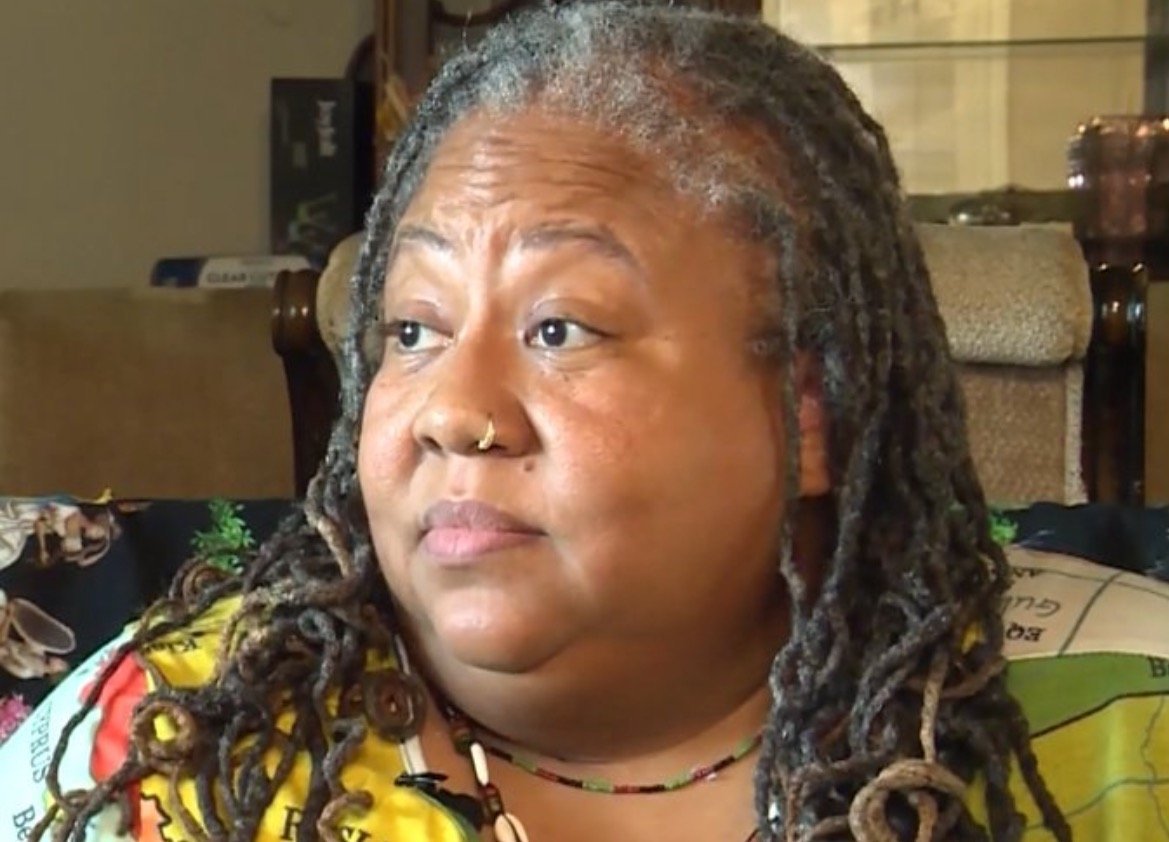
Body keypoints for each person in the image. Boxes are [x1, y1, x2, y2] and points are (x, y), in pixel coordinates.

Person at [2, 2, 1167, 840]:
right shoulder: (163, 755)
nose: (452, 411)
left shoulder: (1122, 726)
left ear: (815, 405)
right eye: (411, 329)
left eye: (560, 327)